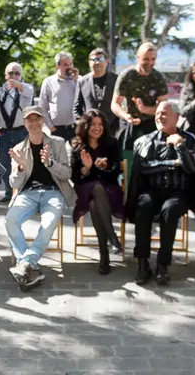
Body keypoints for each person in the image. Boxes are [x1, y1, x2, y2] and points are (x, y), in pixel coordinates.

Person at [125, 101, 195, 286]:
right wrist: (172, 164)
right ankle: (143, 262)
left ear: (176, 117)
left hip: (178, 192)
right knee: (143, 206)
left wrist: (180, 147)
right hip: (151, 191)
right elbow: (144, 167)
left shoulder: (189, 139)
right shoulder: (146, 140)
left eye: (164, 113)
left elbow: (192, 168)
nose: (159, 117)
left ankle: (163, 263)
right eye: (158, 114)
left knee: (170, 211)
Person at [6, 106, 76, 291]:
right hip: (27, 193)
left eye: (38, 118)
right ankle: (29, 266)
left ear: (43, 121)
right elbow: (14, 183)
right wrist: (20, 167)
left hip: (53, 192)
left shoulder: (58, 143)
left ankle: (25, 263)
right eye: (30, 119)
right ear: (25, 123)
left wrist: (50, 163)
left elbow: (67, 173)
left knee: (49, 222)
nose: (34, 123)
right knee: (10, 220)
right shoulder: (19, 149)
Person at [70, 109, 124, 274]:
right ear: (85, 126)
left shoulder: (111, 143)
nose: (97, 128)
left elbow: (116, 171)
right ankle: (111, 236)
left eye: (100, 124)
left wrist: (106, 166)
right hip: (84, 189)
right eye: (93, 124)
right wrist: (86, 169)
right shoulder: (77, 145)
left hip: (109, 189)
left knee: (95, 201)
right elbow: (75, 177)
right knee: (95, 188)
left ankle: (104, 256)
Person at [111, 42, 169, 169]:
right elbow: (115, 104)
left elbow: (165, 108)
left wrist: (146, 110)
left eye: (153, 59)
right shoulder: (127, 76)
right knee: (128, 164)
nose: (150, 63)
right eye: (146, 59)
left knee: (151, 164)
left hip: (151, 126)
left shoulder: (158, 78)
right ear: (137, 58)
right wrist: (126, 116)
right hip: (129, 126)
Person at [0, 62, 35, 205]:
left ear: (21, 75)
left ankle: (25, 194)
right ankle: (8, 193)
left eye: (17, 73)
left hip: (21, 132)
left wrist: (18, 84)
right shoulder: (0, 91)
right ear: (6, 76)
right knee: (5, 165)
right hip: (4, 134)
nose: (14, 76)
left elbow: (29, 91)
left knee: (24, 164)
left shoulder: (26, 89)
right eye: (11, 73)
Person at [73, 48, 119, 134]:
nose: (97, 62)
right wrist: (82, 124)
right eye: (93, 60)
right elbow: (76, 107)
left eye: (100, 59)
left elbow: (121, 104)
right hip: (90, 131)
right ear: (89, 63)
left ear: (106, 61)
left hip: (111, 130)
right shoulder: (82, 81)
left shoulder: (116, 79)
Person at [40, 51, 78, 140]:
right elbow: (42, 107)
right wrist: (50, 126)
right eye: (65, 64)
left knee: (78, 153)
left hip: (75, 127)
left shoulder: (78, 80)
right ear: (58, 65)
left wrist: (76, 81)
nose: (69, 67)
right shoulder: (48, 82)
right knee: (57, 154)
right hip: (57, 128)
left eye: (70, 64)